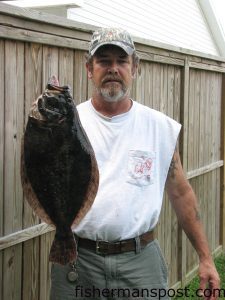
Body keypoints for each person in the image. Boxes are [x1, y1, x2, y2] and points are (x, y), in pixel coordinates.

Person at [50, 28, 220, 300]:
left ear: (135, 67)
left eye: (122, 61)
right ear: (89, 69)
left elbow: (181, 193)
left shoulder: (159, 128)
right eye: (104, 60)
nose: (113, 68)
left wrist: (205, 258)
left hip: (141, 264)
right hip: (77, 260)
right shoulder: (65, 123)